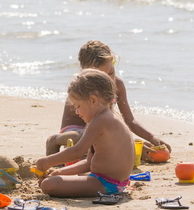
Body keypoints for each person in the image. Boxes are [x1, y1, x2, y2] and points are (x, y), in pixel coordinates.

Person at [46, 41, 171, 161]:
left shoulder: (118, 84)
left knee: (124, 144)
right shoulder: (84, 88)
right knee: (85, 136)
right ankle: (55, 140)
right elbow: (95, 125)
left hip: (99, 130)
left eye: (110, 72)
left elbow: (129, 121)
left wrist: (152, 138)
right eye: (100, 76)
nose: (108, 80)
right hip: (75, 131)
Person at [35, 69, 134, 198]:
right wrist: (60, 171)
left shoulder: (100, 121)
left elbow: (77, 152)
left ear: (93, 100)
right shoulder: (108, 117)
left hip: (105, 184)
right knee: (56, 178)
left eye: (78, 106)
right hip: (113, 181)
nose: (76, 112)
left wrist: (46, 162)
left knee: (49, 185)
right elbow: (89, 163)